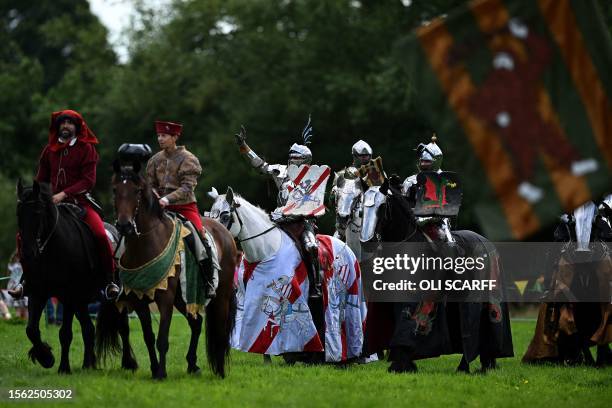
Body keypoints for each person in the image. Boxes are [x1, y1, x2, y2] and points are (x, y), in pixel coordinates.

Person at [11, 110, 119, 300]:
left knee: (101, 235)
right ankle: (25, 280)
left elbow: (88, 181)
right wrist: (38, 196)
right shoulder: (49, 150)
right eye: (63, 123)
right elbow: (41, 178)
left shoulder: (86, 149)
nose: (66, 126)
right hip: (51, 205)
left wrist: (64, 194)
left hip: (80, 203)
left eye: (70, 123)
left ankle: (110, 280)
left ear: (77, 127)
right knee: (24, 235)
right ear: (58, 127)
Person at [234, 119, 324, 298]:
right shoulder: (281, 172)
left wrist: (290, 214)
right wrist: (244, 147)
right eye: (291, 158)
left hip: (301, 223)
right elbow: (260, 165)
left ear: (305, 160)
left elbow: (313, 207)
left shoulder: (313, 178)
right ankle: (247, 284)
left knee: (311, 246)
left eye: (296, 159)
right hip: (279, 222)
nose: (292, 161)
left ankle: (316, 284)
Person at [145, 120, 216, 298]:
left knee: (200, 238)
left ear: (175, 137)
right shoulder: (155, 160)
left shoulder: (189, 159)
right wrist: (154, 195)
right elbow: (149, 184)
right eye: (159, 135)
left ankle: (209, 281)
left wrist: (166, 199)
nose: (160, 139)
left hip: (184, 207)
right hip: (159, 208)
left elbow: (187, 188)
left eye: (164, 136)